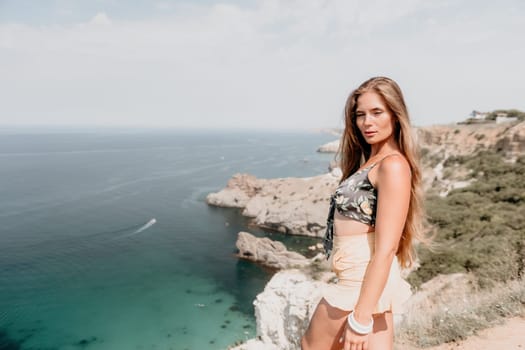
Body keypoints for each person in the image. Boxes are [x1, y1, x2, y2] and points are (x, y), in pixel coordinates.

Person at [301, 76, 426, 350]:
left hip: (360, 278)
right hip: (364, 276)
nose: (367, 122)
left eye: (377, 112)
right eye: (360, 115)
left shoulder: (392, 165)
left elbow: (387, 247)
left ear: (395, 115)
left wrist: (361, 318)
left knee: (311, 346)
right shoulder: (373, 161)